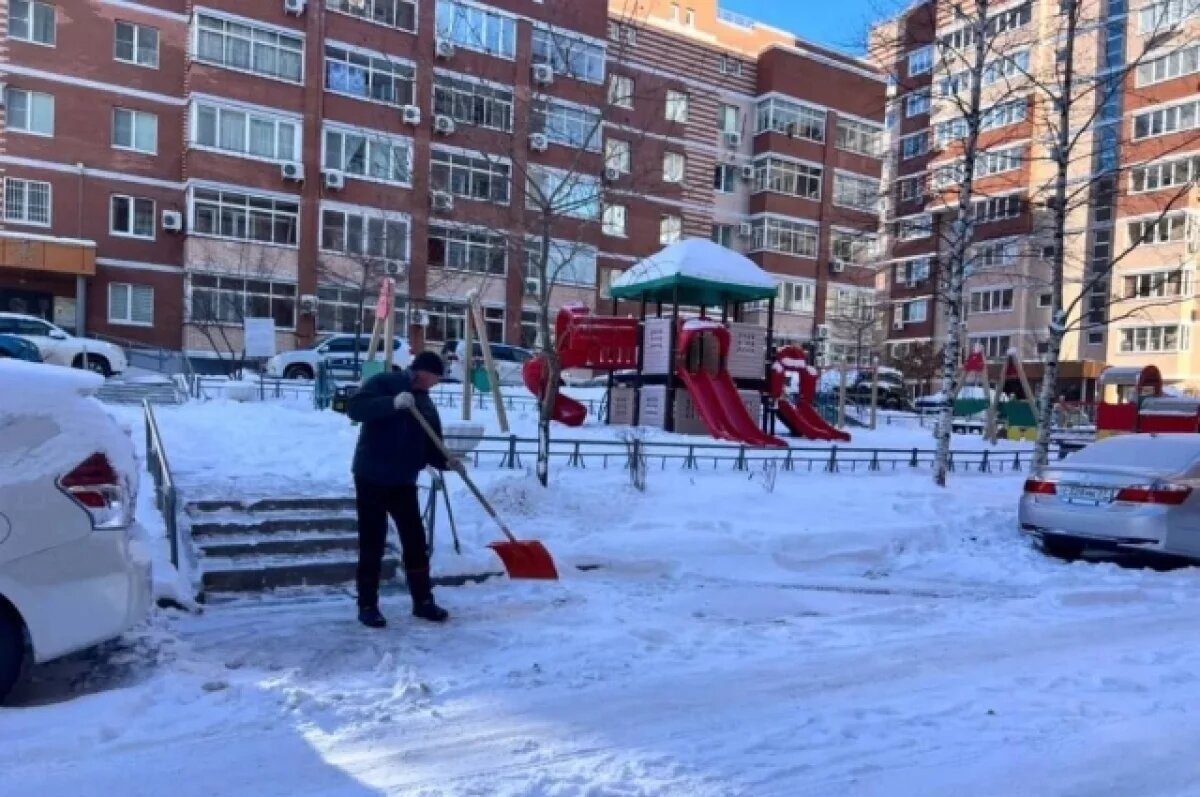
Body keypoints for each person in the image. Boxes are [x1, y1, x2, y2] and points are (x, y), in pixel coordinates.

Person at [347, 350, 461, 629]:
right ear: (424, 372)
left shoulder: (426, 402)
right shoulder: (385, 382)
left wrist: (447, 461)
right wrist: (392, 403)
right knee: (372, 542)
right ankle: (368, 605)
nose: (437, 382)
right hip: (372, 476)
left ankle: (423, 601)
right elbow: (356, 409)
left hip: (404, 481)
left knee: (415, 542)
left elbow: (431, 444)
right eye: (436, 377)